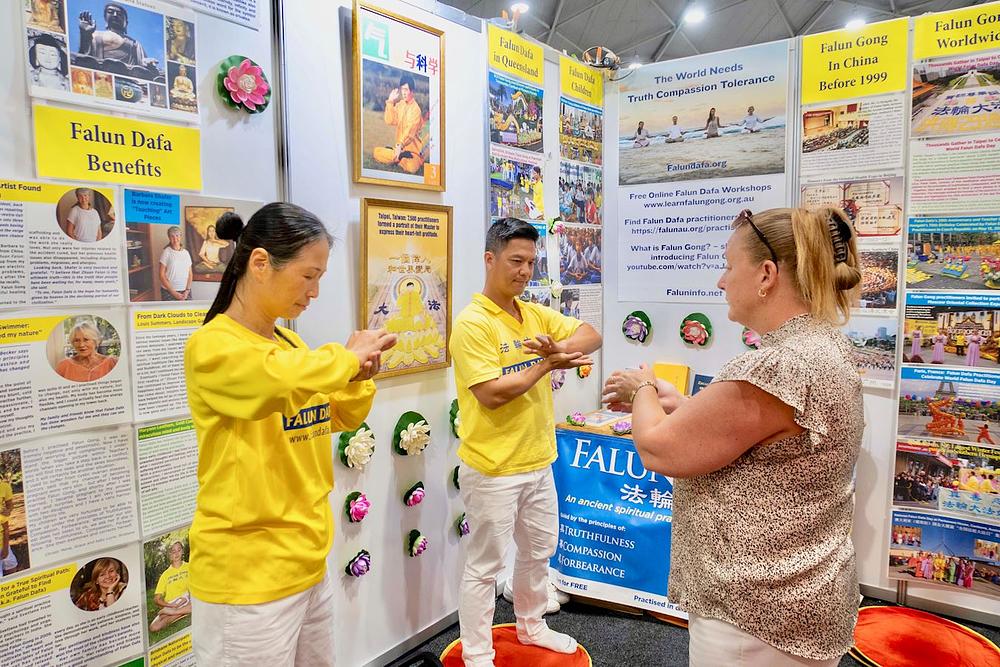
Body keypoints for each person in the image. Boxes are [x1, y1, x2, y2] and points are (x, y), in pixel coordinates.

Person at [602, 207, 864, 666]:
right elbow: (762, 444)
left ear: (766, 274)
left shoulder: (778, 364)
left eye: (727, 265)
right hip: (801, 593)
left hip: (756, 613)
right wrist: (683, 406)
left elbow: (657, 449)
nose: (721, 282)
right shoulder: (822, 345)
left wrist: (640, 387)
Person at [184, 203, 396, 666]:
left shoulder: (292, 345)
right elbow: (276, 381)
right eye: (308, 276)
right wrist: (344, 358)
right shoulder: (213, 347)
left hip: (307, 563)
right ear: (260, 264)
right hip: (246, 579)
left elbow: (336, 417)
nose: (315, 292)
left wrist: (359, 375)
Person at [451, 218, 601, 667]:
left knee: (538, 552)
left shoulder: (533, 313)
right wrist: (547, 363)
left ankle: (532, 626)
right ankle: (478, 651)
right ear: (490, 259)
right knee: (485, 567)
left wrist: (554, 346)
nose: (524, 271)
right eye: (516, 261)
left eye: (531, 263)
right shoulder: (473, 323)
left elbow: (592, 334)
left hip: (538, 460)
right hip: (493, 467)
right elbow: (492, 394)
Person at [77, 3, 159, 73]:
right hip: (101, 74)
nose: (115, 15)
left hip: (129, 77)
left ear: (126, 23)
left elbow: (143, 63)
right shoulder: (95, 34)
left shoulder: (134, 43)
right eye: (110, 12)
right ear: (105, 18)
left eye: (119, 14)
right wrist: (84, 35)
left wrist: (148, 64)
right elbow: (84, 57)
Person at [373, 74, 425, 174]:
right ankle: (398, 156)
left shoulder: (416, 110)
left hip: (413, 153)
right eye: (402, 89)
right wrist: (390, 102)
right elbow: (390, 120)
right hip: (399, 149)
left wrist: (400, 144)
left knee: (411, 168)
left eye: (406, 89)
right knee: (376, 152)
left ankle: (395, 157)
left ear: (412, 91)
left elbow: (409, 133)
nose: (404, 93)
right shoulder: (400, 105)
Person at [150, 541, 191, 632]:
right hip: (172, 604)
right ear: (169, 554)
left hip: (187, 599)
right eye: (173, 551)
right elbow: (157, 599)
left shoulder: (189, 567)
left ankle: (176, 613)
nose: (176, 554)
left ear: (182, 551)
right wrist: (170, 605)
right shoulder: (165, 575)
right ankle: (182, 612)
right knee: (154, 627)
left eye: (179, 550)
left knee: (198, 602)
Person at [159, 226, 193, 301]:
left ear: (180, 237)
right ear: (169, 238)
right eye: (172, 236)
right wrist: (173, 293)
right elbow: (161, 275)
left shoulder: (186, 253)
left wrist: (187, 291)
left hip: (185, 291)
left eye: (177, 236)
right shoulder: (166, 252)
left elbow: (190, 274)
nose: (175, 239)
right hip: (169, 292)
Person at [0, 467, 12, 576]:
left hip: (2, 539)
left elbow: (10, 506)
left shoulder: (4, 486)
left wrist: (7, 511)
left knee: (12, 565)